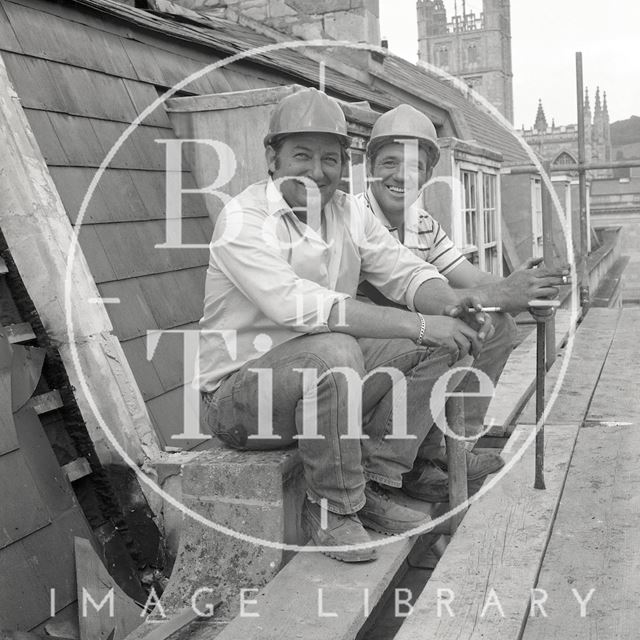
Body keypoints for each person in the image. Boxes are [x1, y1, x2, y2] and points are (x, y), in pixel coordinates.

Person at [198, 88, 497, 563]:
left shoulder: (348, 211)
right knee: (335, 350)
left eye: (331, 159)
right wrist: (421, 325)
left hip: (322, 382)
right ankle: (333, 513)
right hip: (240, 400)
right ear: (272, 158)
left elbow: (406, 271)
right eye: (302, 155)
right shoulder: (243, 219)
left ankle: (375, 478)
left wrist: (449, 308)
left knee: (449, 343)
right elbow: (303, 308)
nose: (317, 172)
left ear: (345, 165)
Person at [357, 104, 570, 501]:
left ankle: (453, 446)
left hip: (414, 333)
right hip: (373, 340)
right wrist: (499, 295)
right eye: (388, 161)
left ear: (427, 175)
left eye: (414, 166)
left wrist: (522, 290)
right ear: (368, 166)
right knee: (447, 337)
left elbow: (470, 279)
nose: (401, 174)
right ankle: (403, 465)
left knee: (498, 324)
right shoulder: (355, 216)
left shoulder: (423, 224)